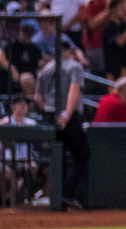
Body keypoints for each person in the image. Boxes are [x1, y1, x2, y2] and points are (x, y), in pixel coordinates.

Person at [34, 50, 88, 209]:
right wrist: (67, 113)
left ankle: (58, 197)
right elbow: (74, 88)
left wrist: (47, 112)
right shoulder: (74, 66)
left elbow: (37, 97)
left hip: (49, 115)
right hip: (67, 116)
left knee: (58, 157)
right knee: (82, 154)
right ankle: (66, 194)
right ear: (67, 51)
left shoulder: (46, 68)